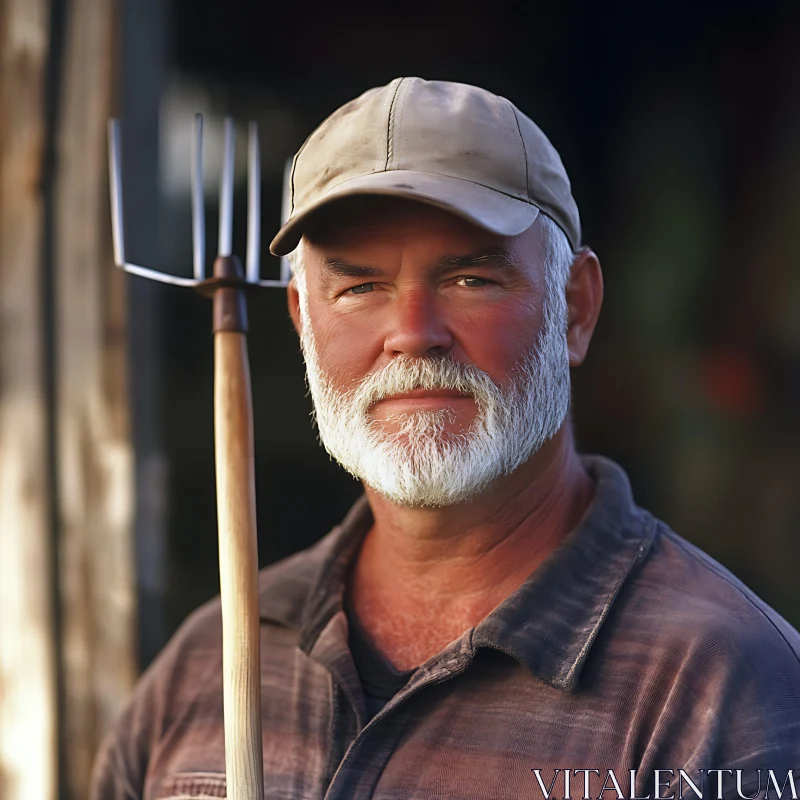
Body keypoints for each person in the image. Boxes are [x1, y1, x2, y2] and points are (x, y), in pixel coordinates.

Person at [91, 78, 800, 800]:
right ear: (302, 318)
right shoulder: (207, 667)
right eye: (360, 287)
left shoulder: (721, 688)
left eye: (469, 278)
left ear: (576, 309)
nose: (413, 334)